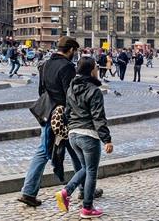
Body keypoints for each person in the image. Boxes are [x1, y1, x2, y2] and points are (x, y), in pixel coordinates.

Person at [19, 36, 98, 207]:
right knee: (53, 152)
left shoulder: (46, 64)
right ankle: (29, 191)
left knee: (59, 152)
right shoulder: (67, 67)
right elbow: (71, 94)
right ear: (70, 50)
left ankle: (84, 189)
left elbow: (41, 89)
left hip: (49, 113)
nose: (74, 55)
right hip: (63, 115)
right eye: (74, 51)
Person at [55, 56, 113, 219]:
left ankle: (67, 192)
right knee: (91, 171)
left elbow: (67, 112)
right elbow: (98, 117)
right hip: (88, 135)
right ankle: (87, 207)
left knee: (85, 169)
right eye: (95, 67)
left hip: (73, 135)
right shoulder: (94, 91)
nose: (97, 69)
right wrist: (106, 139)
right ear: (91, 70)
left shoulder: (71, 88)